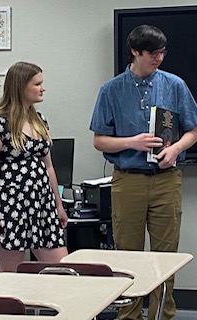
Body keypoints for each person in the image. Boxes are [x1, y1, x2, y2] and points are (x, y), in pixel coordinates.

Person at [90, 25, 197, 320]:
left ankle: (163, 315)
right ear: (135, 52)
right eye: (153, 53)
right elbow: (99, 139)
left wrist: (175, 149)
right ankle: (130, 316)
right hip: (128, 180)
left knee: (165, 257)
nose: (159, 58)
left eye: (163, 52)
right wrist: (131, 142)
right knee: (128, 256)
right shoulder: (111, 90)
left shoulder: (175, 85)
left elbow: (193, 130)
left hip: (167, 180)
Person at [0, 61, 68, 272]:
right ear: (20, 87)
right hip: (11, 207)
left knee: (62, 269)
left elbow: (49, 168)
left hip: (42, 205)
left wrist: (58, 205)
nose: (42, 88)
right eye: (37, 84)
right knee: (12, 274)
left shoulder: (40, 120)